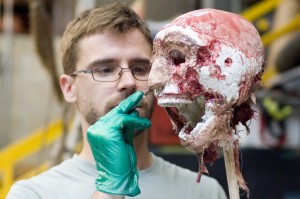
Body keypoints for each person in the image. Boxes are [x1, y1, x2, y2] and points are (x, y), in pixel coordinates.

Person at [7, 3, 227, 199]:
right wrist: (109, 189)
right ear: (69, 88)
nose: (129, 82)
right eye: (105, 70)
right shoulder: (33, 193)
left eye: (140, 68)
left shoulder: (204, 192)